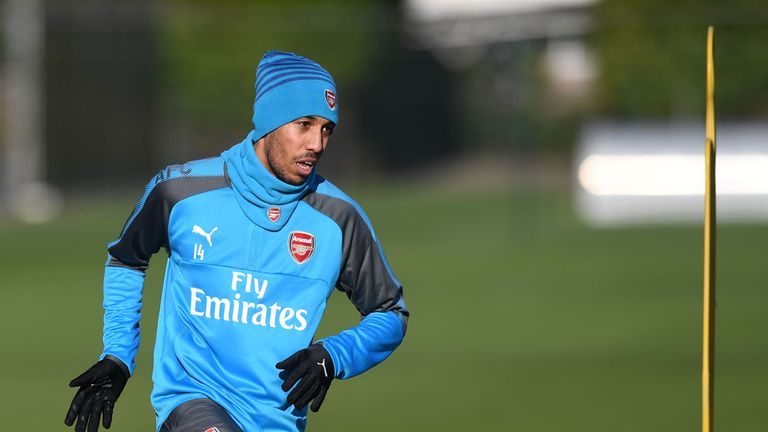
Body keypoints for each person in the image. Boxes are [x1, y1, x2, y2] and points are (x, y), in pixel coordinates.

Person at [64, 50, 409, 432]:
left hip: (276, 421)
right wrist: (118, 355)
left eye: (327, 129)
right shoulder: (180, 191)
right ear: (269, 122)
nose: (317, 143)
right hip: (192, 402)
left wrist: (334, 355)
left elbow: (390, 314)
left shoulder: (339, 218)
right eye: (305, 124)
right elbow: (126, 259)